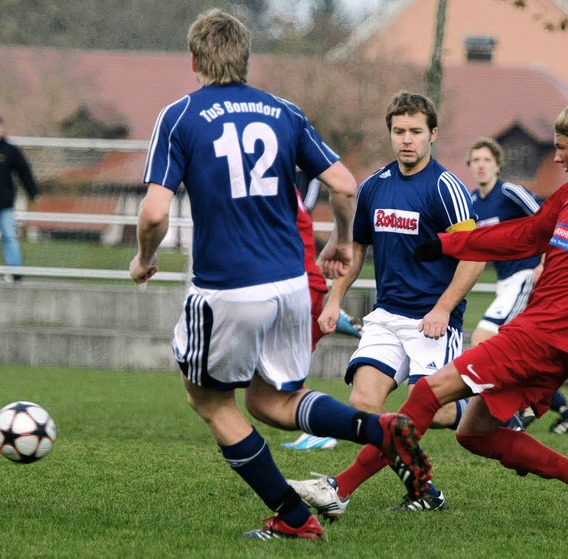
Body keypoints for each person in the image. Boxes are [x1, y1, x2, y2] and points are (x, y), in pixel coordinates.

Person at [128, 9, 430, 541]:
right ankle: (380, 428)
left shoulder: (179, 116)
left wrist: (143, 258)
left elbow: (154, 213)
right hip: (291, 284)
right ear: (246, 59)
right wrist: (339, 239)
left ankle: (294, 517)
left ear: (194, 60)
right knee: (271, 401)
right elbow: (343, 185)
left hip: (228, 287)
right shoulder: (283, 111)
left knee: (208, 400)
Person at [398, 100, 568, 532]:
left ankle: (341, 487)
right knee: (473, 433)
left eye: (563, 149)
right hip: (537, 327)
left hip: (550, 336)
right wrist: (451, 245)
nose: (556, 158)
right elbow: (524, 236)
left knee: (431, 390)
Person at [289, 91, 486, 517]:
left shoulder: (445, 187)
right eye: (399, 132)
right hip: (386, 316)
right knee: (363, 405)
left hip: (434, 322)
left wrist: (441, 309)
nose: (407, 140)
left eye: (416, 131)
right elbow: (354, 248)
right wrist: (333, 300)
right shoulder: (375, 186)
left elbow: (475, 256)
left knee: (433, 412)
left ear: (433, 134)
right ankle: (424, 489)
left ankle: (473, 410)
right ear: (390, 134)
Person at [467, 137, 568, 434]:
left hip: (525, 278)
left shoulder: (510, 193)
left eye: (486, 160)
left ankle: (512, 416)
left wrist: (544, 263)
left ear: (498, 165)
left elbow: (551, 220)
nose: (481, 165)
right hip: (505, 283)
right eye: (475, 160)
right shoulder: (471, 201)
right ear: (470, 166)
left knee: (483, 340)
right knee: (519, 354)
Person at [281, 180, 362, 451]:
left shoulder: (295, 161)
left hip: (293, 279)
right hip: (292, 277)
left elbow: (343, 189)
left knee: (277, 378)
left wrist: (343, 240)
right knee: (278, 374)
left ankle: (324, 430)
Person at [0, 116, 39, 281]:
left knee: (9, 235)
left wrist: (33, 192)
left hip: (5, 203)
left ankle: (15, 272)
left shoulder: (10, 150)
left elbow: (24, 171)